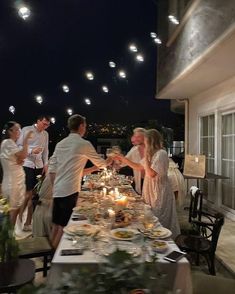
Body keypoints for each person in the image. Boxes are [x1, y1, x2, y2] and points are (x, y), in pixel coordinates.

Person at [49, 114, 112, 248]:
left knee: (55, 226)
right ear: (81, 126)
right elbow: (102, 164)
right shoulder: (83, 143)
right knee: (63, 228)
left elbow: (52, 167)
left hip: (58, 189)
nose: (86, 128)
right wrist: (112, 158)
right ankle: (54, 263)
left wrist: (56, 184)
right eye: (85, 125)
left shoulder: (61, 143)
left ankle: (48, 254)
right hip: (70, 190)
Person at [115, 129, 180, 239]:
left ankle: (162, 240)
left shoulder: (161, 154)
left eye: (145, 141)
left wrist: (146, 157)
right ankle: (152, 238)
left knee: (158, 217)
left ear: (151, 141)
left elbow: (151, 173)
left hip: (159, 191)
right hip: (151, 189)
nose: (144, 144)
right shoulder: (152, 154)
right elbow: (138, 167)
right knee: (150, 215)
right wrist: (123, 159)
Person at [17, 115, 50, 231]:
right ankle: (20, 215)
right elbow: (19, 146)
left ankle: (28, 222)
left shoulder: (45, 134)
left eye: (47, 125)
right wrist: (31, 151)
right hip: (27, 164)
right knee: (28, 194)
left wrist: (46, 167)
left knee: (35, 196)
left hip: (39, 166)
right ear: (38, 121)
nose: (45, 127)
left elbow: (46, 152)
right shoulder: (27, 130)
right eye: (44, 124)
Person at [0, 121, 33, 225]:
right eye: (17, 129)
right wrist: (26, 140)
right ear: (10, 131)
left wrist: (20, 159)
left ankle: (10, 237)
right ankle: (8, 238)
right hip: (12, 182)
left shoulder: (11, 143)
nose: (19, 132)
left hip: (17, 181)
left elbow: (20, 160)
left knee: (16, 208)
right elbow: (23, 156)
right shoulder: (8, 142)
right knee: (12, 211)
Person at [124, 127, 146, 194]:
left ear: (145, 137)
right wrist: (114, 158)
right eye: (135, 136)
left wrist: (121, 158)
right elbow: (123, 163)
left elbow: (140, 166)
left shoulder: (152, 150)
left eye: (138, 136)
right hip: (140, 181)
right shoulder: (134, 149)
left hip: (152, 182)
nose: (135, 138)